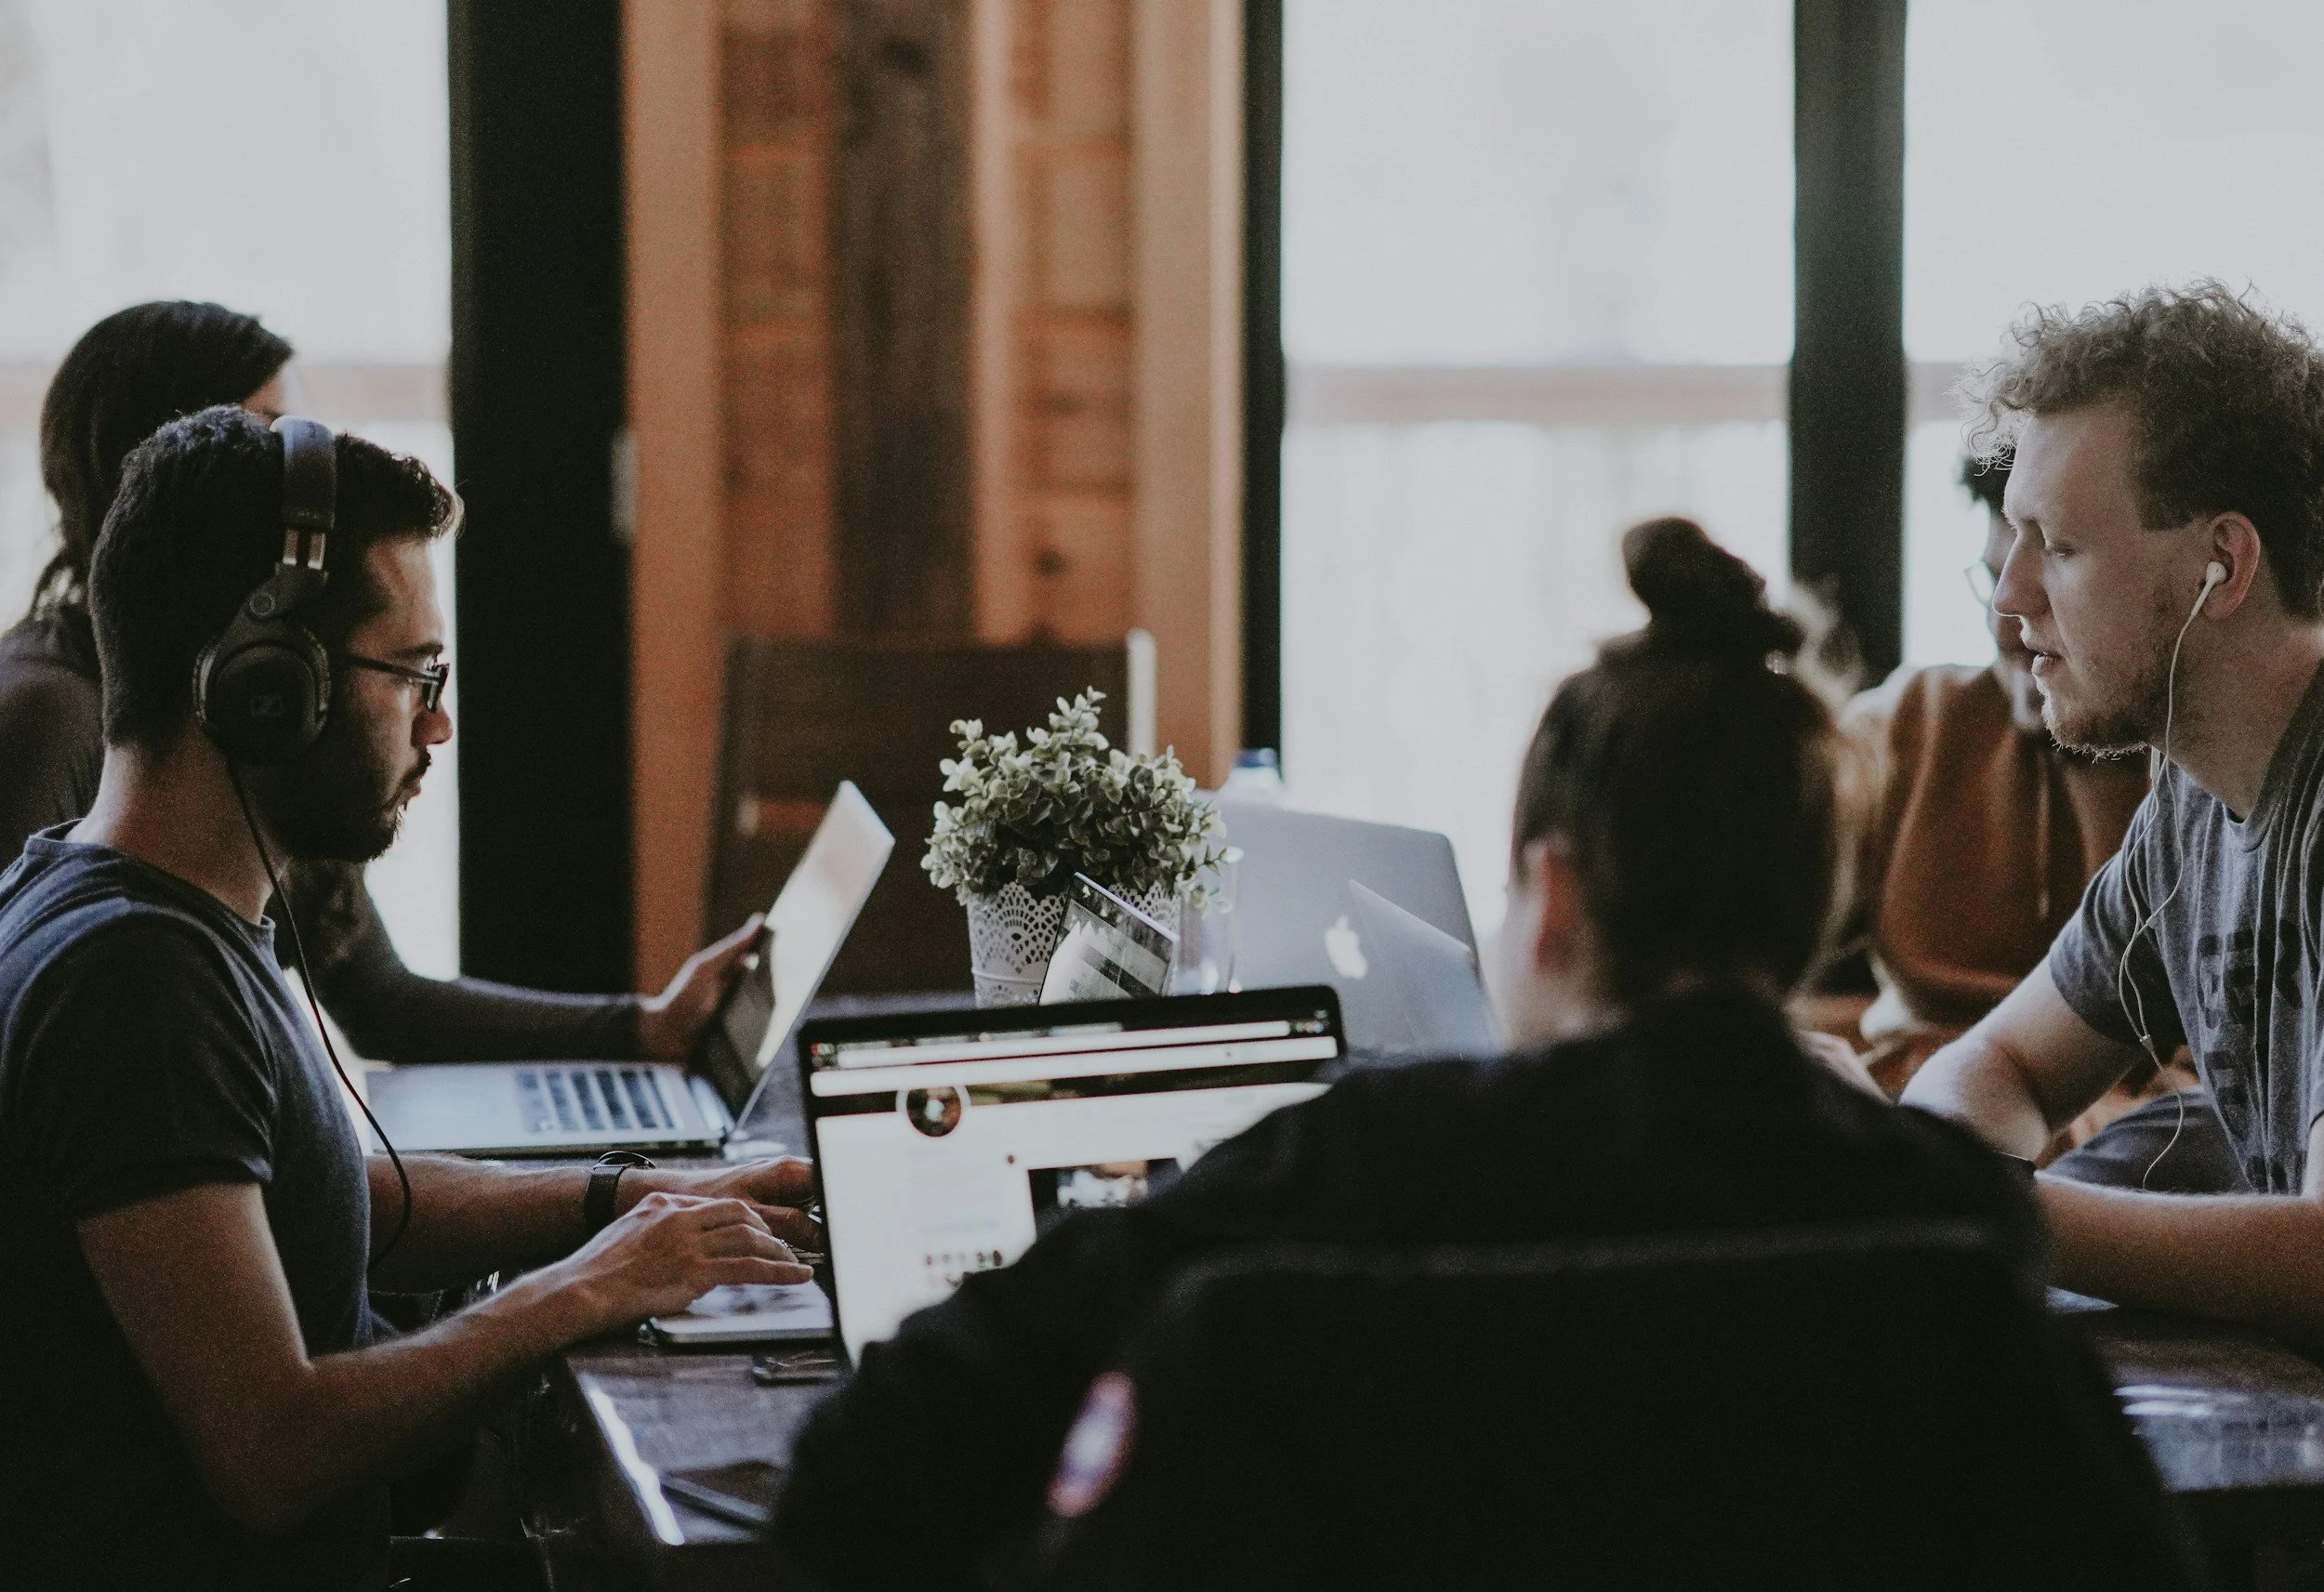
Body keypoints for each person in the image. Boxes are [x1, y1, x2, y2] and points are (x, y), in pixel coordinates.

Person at [772, 517, 2039, 1589]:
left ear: (1551, 899)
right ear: (1815, 905)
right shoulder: (1958, 1225)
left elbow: (868, 1456)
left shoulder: (1347, 1169)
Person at [0, 406, 817, 1589]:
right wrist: (590, 1286)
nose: (437, 724)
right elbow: (273, 1450)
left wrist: (638, 1197)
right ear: (265, 687)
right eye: (415, 673)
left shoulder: (134, 902)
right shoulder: (134, 981)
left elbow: (342, 1199)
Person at [0, 300, 749, 1065]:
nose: (307, 488)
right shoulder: (49, 713)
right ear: (167, 462)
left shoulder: (287, 700)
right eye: (267, 439)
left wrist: (644, 1027)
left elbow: (384, 1001)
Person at [1904, 283, 2324, 1333]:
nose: (2008, 599)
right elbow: (1995, 1061)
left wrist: (1986, 1209)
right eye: (2013, 539)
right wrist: (1955, 1179)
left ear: (2219, 566)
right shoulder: (2191, 798)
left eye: (2062, 546)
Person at [1835, 454, 2239, 1192]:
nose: (2009, 621)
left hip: (2124, 1154)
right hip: (1943, 1120)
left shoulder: (2210, 788)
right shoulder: (1909, 727)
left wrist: (1979, 1193)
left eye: (2058, 574)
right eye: (1993, 580)